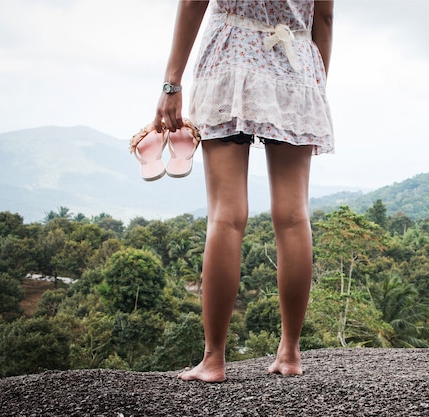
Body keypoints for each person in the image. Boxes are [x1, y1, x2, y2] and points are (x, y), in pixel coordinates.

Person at [154, 0, 334, 382]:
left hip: (229, 57)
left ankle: (214, 359)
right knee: (292, 216)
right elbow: (326, 16)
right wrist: (313, 86)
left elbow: (192, 2)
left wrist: (171, 84)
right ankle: (289, 354)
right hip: (296, 64)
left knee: (226, 216)